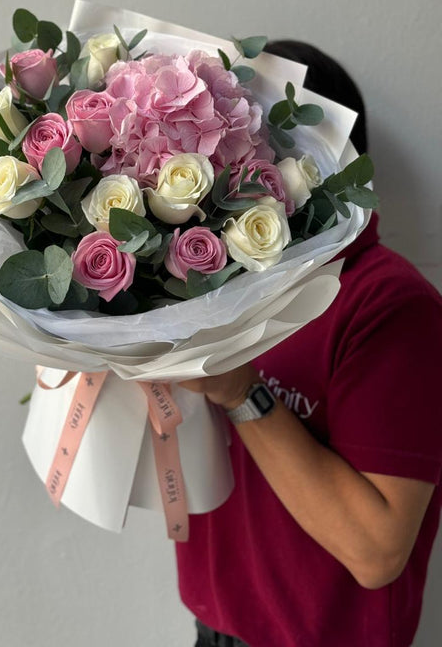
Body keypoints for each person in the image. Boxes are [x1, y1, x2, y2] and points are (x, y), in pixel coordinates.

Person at [177, 41, 442, 647]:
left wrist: (241, 393)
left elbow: (377, 553)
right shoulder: (215, 277)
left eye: (247, 134)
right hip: (212, 627)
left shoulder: (390, 305)